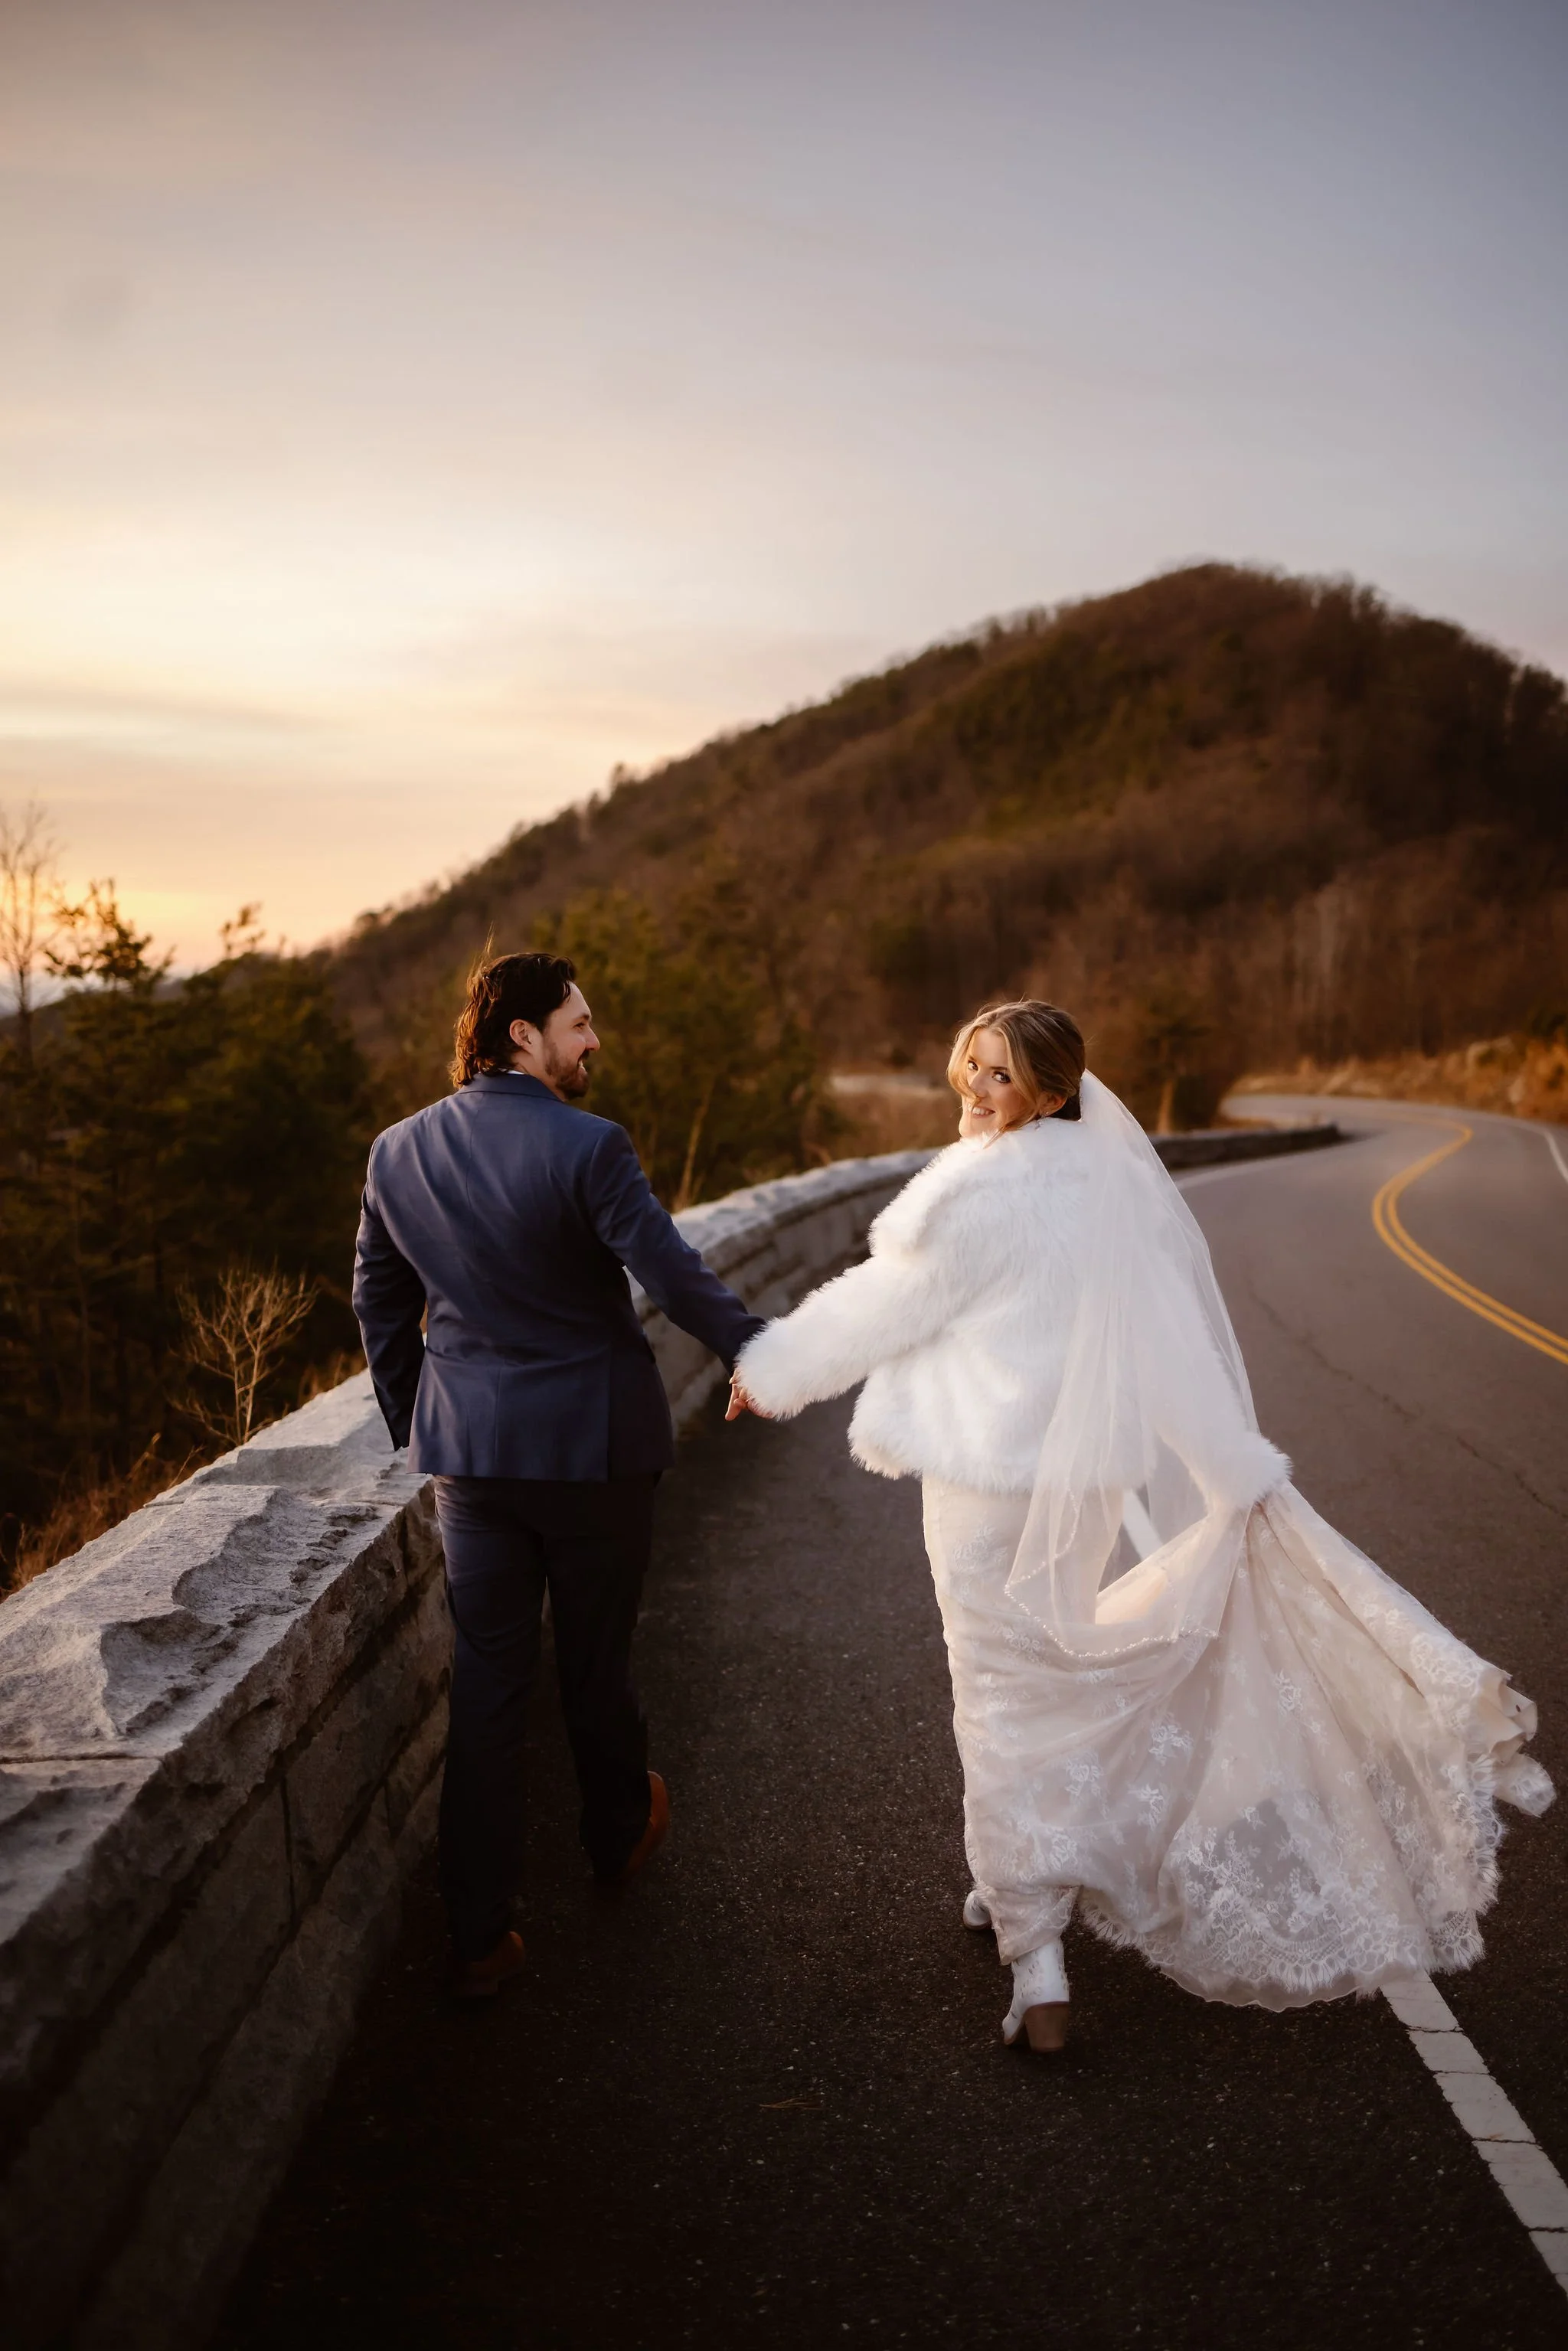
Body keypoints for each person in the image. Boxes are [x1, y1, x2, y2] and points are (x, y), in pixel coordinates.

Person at [728, 1001, 1553, 2053]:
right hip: (1082, 1487)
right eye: (972, 1066)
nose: (975, 1089)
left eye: (1000, 1075)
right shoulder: (1111, 1194)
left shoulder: (970, 1196)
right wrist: (1228, 1469)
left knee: (996, 1692)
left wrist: (772, 1371)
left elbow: (880, 1309)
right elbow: (1169, 1350)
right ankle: (1022, 1865)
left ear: (1051, 1094)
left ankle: (1035, 1950)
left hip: (983, 1493)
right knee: (1058, 1672)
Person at [353, 951, 763, 2000]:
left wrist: (423, 1424)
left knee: (488, 1684)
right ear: (522, 1035)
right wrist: (760, 1352)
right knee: (594, 1661)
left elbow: (378, 1304)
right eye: (579, 1024)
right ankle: (617, 1835)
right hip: (593, 1452)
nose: (594, 1041)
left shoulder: (398, 1150)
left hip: (471, 1462)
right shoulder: (590, 1145)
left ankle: (477, 1934)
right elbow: (670, 1270)